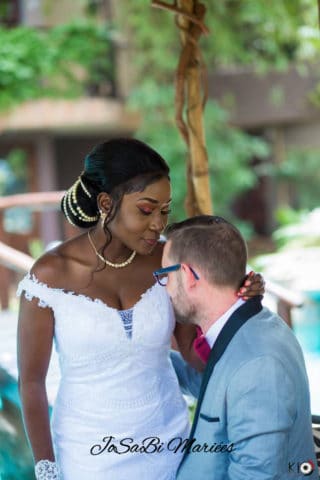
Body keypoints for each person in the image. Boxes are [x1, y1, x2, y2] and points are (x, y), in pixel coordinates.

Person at [17, 139, 263, 480]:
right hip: (88, 454)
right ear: (106, 203)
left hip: (169, 445)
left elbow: (193, 351)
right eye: (146, 210)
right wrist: (46, 468)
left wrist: (236, 302)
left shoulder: (169, 261)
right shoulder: (49, 277)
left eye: (164, 210)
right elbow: (31, 382)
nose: (158, 224)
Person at [155, 216, 318, 480]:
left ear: (187, 275)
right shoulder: (251, 328)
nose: (164, 289)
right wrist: (144, 360)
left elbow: (258, 475)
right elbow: (219, 391)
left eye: (165, 276)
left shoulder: (259, 363)